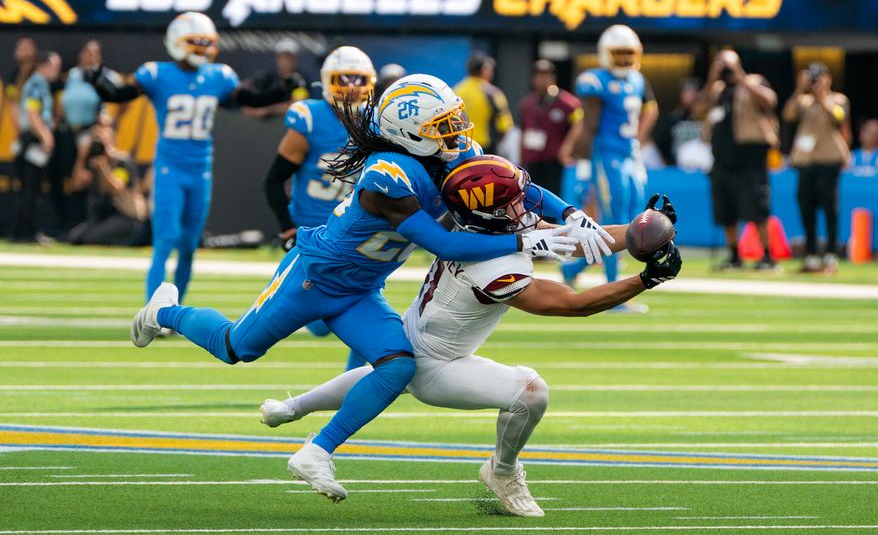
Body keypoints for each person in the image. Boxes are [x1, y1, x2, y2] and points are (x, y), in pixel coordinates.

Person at [128, 74, 612, 502]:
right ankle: (163, 311)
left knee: (397, 365)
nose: (457, 135)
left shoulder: (446, 153)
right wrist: (528, 236)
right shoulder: (387, 177)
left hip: (361, 289)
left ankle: (316, 451)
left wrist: (570, 213)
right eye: (442, 126)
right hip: (314, 278)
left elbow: (514, 183)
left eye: (453, 122)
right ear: (410, 135)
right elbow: (444, 243)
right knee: (237, 347)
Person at [260, 157, 682, 517]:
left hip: (414, 333)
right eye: (515, 200)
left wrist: (643, 228)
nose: (526, 203)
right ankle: (501, 472)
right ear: (495, 214)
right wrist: (646, 279)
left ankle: (292, 408)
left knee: (386, 372)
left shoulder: (478, 233)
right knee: (531, 391)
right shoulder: (493, 266)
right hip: (440, 367)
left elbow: (576, 241)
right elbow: (573, 303)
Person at [86, 12, 299, 302]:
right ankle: (155, 312)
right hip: (169, 168)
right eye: (195, 42)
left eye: (206, 42)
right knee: (165, 240)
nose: (202, 49)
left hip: (200, 170)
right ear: (177, 42)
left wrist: (280, 90)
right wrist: (99, 82)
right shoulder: (158, 74)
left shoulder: (218, 76)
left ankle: (175, 310)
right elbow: (120, 93)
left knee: (188, 245)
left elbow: (248, 100)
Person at [263, 46, 376, 365]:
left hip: (355, 231)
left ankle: (350, 386)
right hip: (313, 233)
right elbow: (273, 180)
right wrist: (287, 229)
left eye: (359, 79)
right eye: (344, 79)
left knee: (365, 308)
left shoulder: (378, 123)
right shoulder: (310, 117)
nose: (352, 86)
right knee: (318, 325)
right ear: (328, 81)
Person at [561, 25, 659, 310]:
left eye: (628, 53)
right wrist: (583, 167)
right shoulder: (595, 80)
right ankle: (612, 290)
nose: (624, 59)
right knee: (617, 222)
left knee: (633, 221)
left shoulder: (639, 81)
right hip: (606, 156)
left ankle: (572, 271)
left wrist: (638, 146)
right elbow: (589, 125)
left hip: (630, 155)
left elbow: (651, 110)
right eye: (619, 53)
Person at [694, 49, 779, 271]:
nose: (725, 69)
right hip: (722, 158)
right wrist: (713, 77)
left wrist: (739, 74)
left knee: (757, 209)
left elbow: (770, 100)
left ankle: (768, 256)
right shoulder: (717, 90)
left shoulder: (753, 81)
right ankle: (734, 255)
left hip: (750, 158)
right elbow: (697, 109)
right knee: (726, 210)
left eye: (727, 64)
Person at [782, 62, 851, 274]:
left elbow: (838, 117)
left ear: (828, 78)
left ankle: (830, 256)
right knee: (806, 208)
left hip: (829, 160)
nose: (816, 81)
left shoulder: (838, 99)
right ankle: (811, 256)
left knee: (830, 209)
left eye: (820, 77)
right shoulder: (803, 101)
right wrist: (799, 88)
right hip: (806, 162)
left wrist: (821, 95)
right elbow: (788, 115)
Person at [67, 115, 148, 246]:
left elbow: (116, 188)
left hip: (126, 217)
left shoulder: (121, 160)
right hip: (103, 218)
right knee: (75, 237)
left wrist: (103, 167)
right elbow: (76, 184)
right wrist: (82, 157)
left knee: (91, 237)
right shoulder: (93, 160)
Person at [54, 40, 105, 233]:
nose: (89, 56)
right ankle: (68, 224)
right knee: (69, 179)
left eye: (94, 53)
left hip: (89, 132)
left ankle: (86, 225)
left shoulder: (102, 75)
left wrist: (107, 120)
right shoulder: (73, 75)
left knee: (86, 178)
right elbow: (63, 102)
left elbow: (116, 98)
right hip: (69, 132)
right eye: (86, 52)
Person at [10, 51, 61, 242]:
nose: (57, 72)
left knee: (31, 190)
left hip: (32, 139)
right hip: (32, 141)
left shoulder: (39, 84)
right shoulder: (37, 84)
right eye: (55, 67)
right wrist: (45, 135)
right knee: (31, 189)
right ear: (45, 65)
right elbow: (32, 112)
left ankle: (22, 232)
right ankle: (26, 233)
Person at [518, 59, 583, 196]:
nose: (542, 79)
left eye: (546, 75)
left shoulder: (567, 103)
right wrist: (521, 157)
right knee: (532, 197)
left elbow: (580, 122)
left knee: (553, 197)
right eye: (538, 75)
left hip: (554, 161)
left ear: (553, 77)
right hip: (533, 159)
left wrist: (568, 146)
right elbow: (523, 130)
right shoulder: (527, 104)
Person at [453, 51, 514, 153]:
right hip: (483, 147)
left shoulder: (456, 90)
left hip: (459, 145)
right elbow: (505, 125)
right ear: (484, 69)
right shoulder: (492, 93)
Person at [241, 38, 309, 120]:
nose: (286, 62)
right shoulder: (268, 77)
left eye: (289, 58)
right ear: (277, 59)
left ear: (295, 60)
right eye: (283, 57)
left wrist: (265, 111)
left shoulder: (301, 80)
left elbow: (297, 105)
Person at [654, 78, 704, 167]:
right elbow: (661, 143)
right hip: (676, 167)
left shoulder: (707, 119)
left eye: (694, 91)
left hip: (701, 167)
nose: (691, 95)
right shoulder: (672, 119)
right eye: (687, 91)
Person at [3, 36, 38, 136]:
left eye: (27, 47)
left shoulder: (39, 74)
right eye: (20, 47)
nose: (23, 50)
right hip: (21, 127)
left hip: (39, 124)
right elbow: (12, 102)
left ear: (35, 50)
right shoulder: (13, 76)